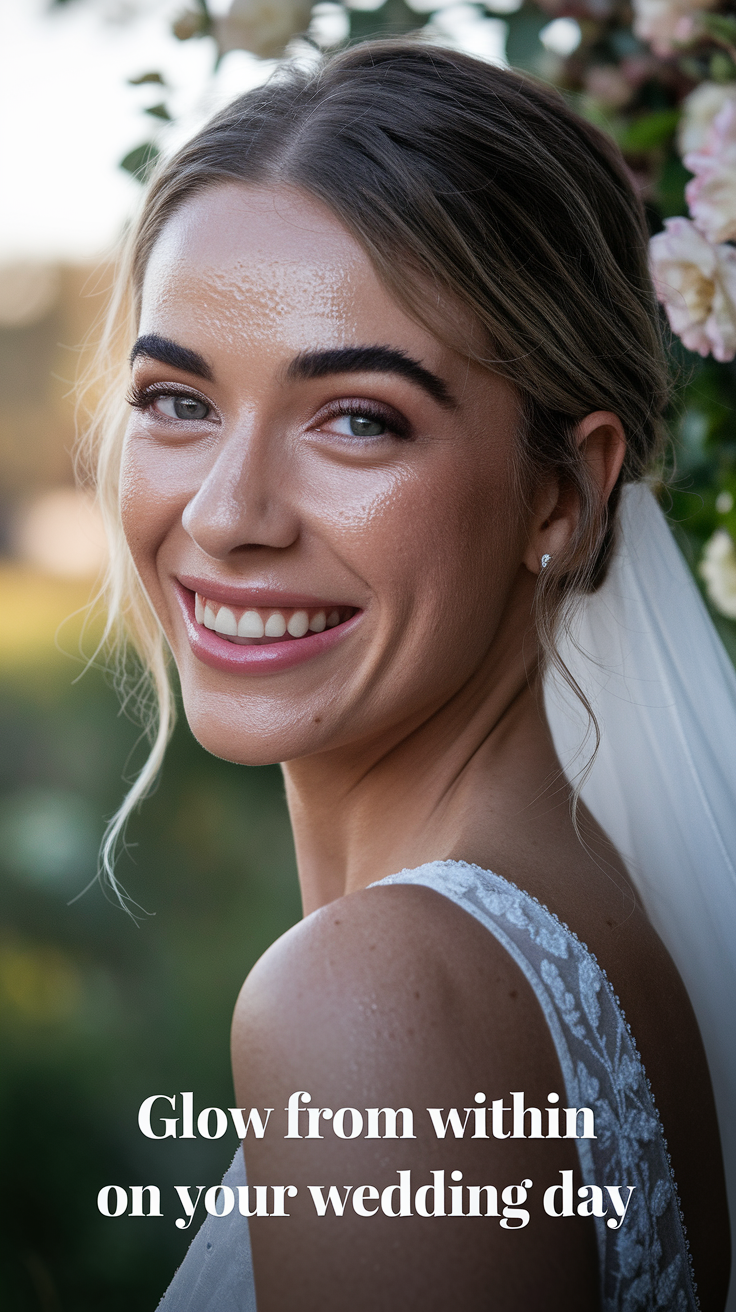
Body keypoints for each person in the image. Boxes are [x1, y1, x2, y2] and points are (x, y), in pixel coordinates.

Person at [85, 40, 735, 1310]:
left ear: (564, 489)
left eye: (358, 418)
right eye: (177, 399)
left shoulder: (373, 995)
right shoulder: (588, 928)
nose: (226, 515)